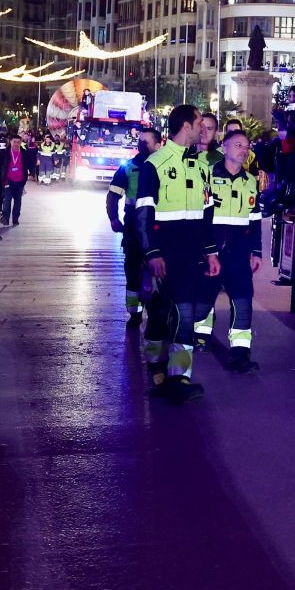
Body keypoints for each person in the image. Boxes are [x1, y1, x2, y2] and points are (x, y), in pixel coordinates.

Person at [134, 104, 220, 403]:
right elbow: (142, 214)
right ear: (186, 126)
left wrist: (211, 252)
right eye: (200, 123)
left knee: (185, 315)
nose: (204, 129)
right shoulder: (154, 164)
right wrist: (151, 252)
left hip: (190, 256)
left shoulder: (202, 166)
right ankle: (156, 370)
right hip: (163, 254)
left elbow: (208, 214)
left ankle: (180, 378)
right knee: (159, 315)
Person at [195, 129, 263, 373]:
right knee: (202, 302)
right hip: (213, 251)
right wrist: (208, 250)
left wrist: (257, 251)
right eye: (237, 145)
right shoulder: (209, 177)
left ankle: (241, 355)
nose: (243, 150)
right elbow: (202, 217)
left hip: (239, 252)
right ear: (223, 148)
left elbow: (255, 220)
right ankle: (192, 336)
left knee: (243, 302)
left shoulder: (251, 181)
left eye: (246, 146)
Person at [106, 122, 163, 325]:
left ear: (158, 145)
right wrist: (113, 217)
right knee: (132, 270)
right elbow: (113, 195)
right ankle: (135, 313)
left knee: (160, 272)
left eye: (146, 142)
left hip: (158, 226)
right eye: (140, 141)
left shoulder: (164, 168)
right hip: (132, 226)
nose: (141, 145)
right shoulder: (128, 168)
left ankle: (158, 311)